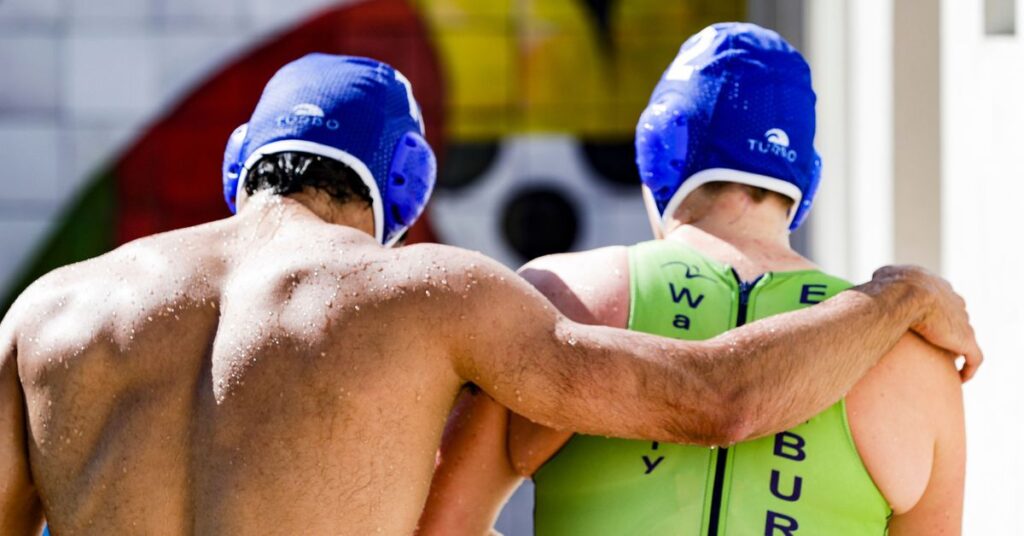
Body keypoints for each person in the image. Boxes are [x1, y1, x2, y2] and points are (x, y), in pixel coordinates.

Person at [0, 53, 979, 535]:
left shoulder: (50, 311)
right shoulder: (428, 297)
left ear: (238, 164)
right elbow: (716, 400)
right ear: (403, 190)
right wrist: (892, 296)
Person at [417, 24, 970, 536]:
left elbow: (441, 528)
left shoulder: (565, 297)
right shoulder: (915, 360)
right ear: (807, 175)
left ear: (658, 150)